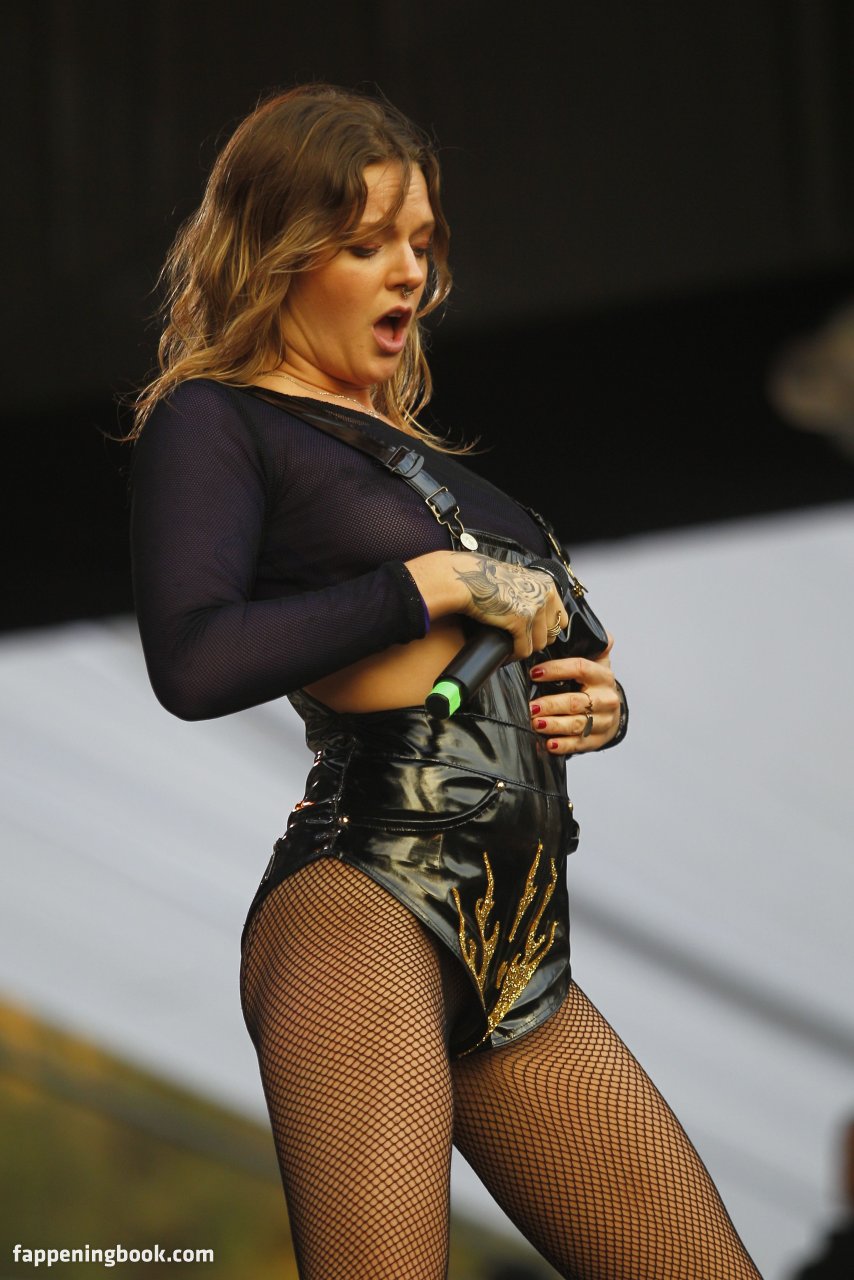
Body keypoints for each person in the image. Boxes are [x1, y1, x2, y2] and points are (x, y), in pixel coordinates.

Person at [129, 84, 762, 1279]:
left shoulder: (427, 462)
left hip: (521, 937)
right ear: (280, 251)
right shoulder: (219, 422)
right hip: (368, 894)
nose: (408, 272)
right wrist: (431, 583)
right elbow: (194, 659)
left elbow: (537, 641)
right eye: (368, 243)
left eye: (420, 242)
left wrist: (598, 701)